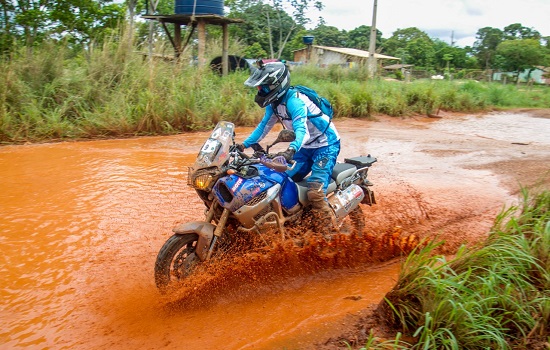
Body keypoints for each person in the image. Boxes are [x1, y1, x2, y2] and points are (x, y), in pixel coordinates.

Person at [236, 60, 341, 234]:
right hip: (305, 147)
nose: (260, 91)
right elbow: (263, 128)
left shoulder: (295, 101)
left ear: (277, 84)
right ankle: (290, 223)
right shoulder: (274, 105)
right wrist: (242, 145)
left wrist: (291, 149)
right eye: (259, 88)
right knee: (278, 180)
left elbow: (302, 131)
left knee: (314, 191)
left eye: (264, 87)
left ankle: (330, 235)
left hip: (325, 145)